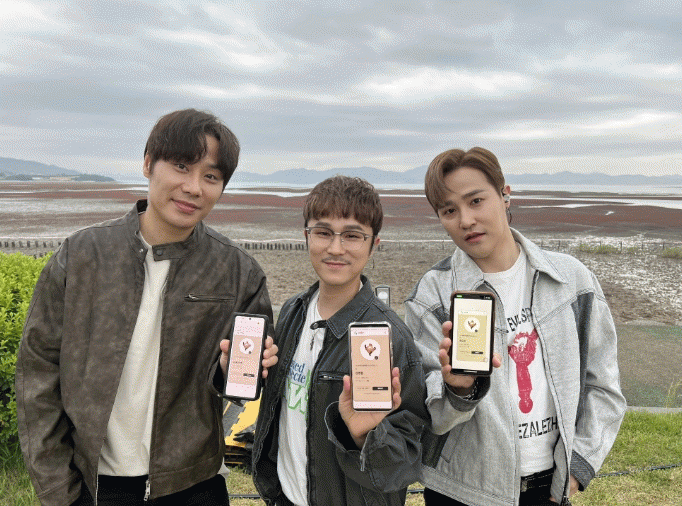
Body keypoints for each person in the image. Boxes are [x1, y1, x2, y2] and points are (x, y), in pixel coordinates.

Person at [16, 109, 278, 506]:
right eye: (181, 166)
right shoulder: (82, 255)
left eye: (210, 176)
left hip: (193, 485)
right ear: (147, 164)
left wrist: (232, 373)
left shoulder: (239, 272)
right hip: (94, 485)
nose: (193, 187)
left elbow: (244, 382)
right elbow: (38, 372)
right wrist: (57, 488)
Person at [405, 147, 626, 506]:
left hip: (549, 487)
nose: (466, 220)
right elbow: (430, 416)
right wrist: (458, 391)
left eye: (476, 201)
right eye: (449, 210)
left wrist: (578, 466)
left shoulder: (571, 280)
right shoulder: (432, 295)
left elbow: (603, 385)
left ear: (505, 194)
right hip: (460, 492)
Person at [252, 175, 429, 506]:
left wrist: (365, 436)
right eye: (323, 232)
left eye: (352, 235)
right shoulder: (292, 312)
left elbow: (406, 461)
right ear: (306, 236)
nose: (335, 248)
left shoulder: (392, 339)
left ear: (374, 244)